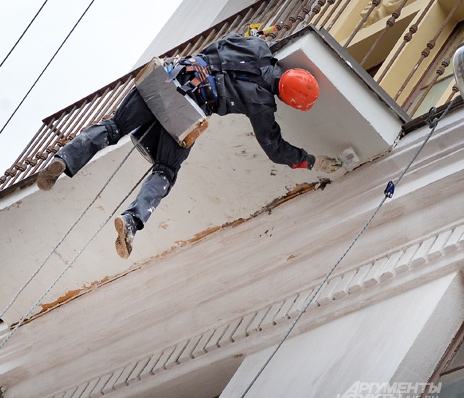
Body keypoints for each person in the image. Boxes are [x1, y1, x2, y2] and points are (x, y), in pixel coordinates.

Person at [36, 32, 341, 259]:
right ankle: (131, 221)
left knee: (113, 127)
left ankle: (64, 160)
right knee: (166, 169)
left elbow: (233, 40)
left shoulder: (256, 46)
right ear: (289, 99)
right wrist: (312, 161)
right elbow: (275, 149)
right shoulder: (262, 104)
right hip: (189, 110)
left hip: (167, 77)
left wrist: (263, 33)